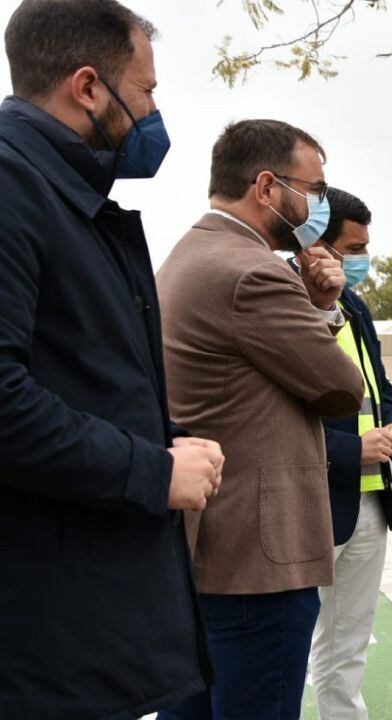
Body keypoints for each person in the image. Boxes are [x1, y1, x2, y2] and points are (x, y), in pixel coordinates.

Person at [0, 1, 224, 717]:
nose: (154, 112)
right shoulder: (13, 188)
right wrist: (153, 471)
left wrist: (160, 442)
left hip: (77, 628)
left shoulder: (64, 197)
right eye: (147, 90)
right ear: (88, 86)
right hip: (44, 643)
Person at [155, 120, 366, 720]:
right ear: (268, 187)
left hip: (204, 550)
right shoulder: (253, 272)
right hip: (257, 564)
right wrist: (321, 306)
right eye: (315, 189)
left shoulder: (189, 254)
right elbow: (339, 388)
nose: (319, 204)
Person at [304, 188, 392, 720]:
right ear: (317, 245)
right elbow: (277, 416)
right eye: (354, 247)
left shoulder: (356, 306)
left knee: (349, 645)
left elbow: (378, 383)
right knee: (290, 643)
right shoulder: (286, 301)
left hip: (370, 502)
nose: (364, 258)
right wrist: (349, 451)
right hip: (311, 500)